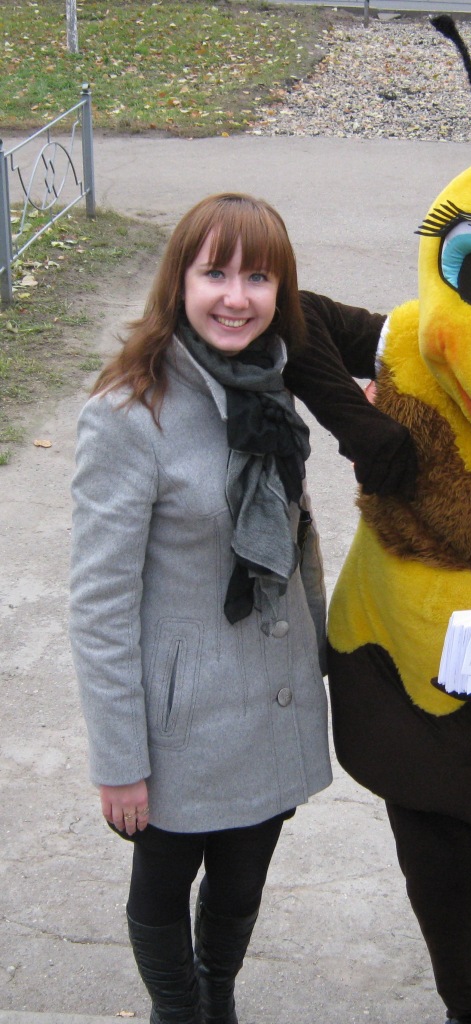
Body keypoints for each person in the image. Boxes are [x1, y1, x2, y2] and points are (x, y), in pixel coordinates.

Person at [68, 192, 412, 1024]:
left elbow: (295, 541)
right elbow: (100, 606)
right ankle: (178, 1011)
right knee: (162, 887)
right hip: (180, 721)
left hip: (271, 694)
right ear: (179, 282)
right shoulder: (127, 415)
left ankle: (216, 996)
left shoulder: (270, 384)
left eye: (258, 278)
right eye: (214, 273)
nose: (236, 297)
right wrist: (119, 759)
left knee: (243, 880)